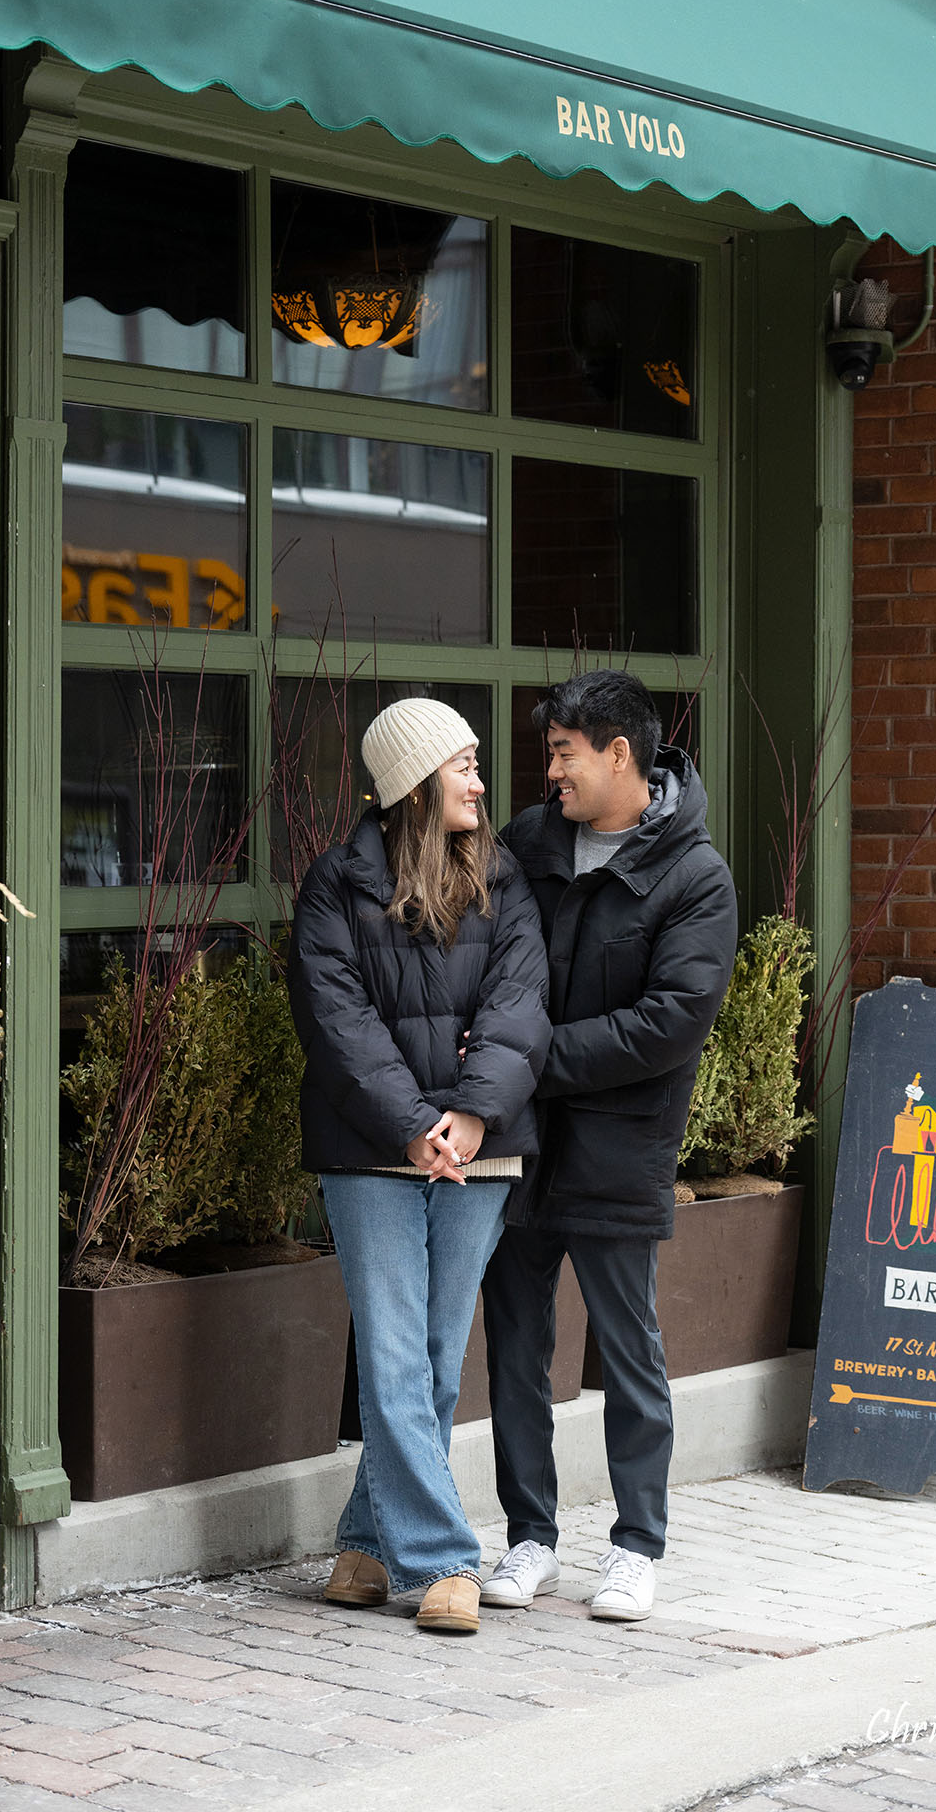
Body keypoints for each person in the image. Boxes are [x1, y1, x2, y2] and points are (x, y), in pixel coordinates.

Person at [288, 698, 549, 1636]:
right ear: (412, 783)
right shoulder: (335, 887)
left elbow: (522, 1003)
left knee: (435, 1363)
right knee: (396, 1357)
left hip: (478, 1151)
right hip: (372, 1155)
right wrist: (412, 1126)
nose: (481, 782)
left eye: (477, 764)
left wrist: (473, 1116)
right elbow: (338, 1025)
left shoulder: (505, 882)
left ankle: (364, 1545)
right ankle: (442, 1558)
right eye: (464, 766)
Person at [480, 670, 737, 1623]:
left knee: (628, 1348)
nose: (551, 772)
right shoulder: (528, 842)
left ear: (620, 753)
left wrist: (529, 1055)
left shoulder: (694, 876)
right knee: (514, 1344)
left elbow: (670, 1021)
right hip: (520, 1136)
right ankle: (529, 1539)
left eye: (564, 753)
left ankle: (636, 1546)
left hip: (619, 1144)